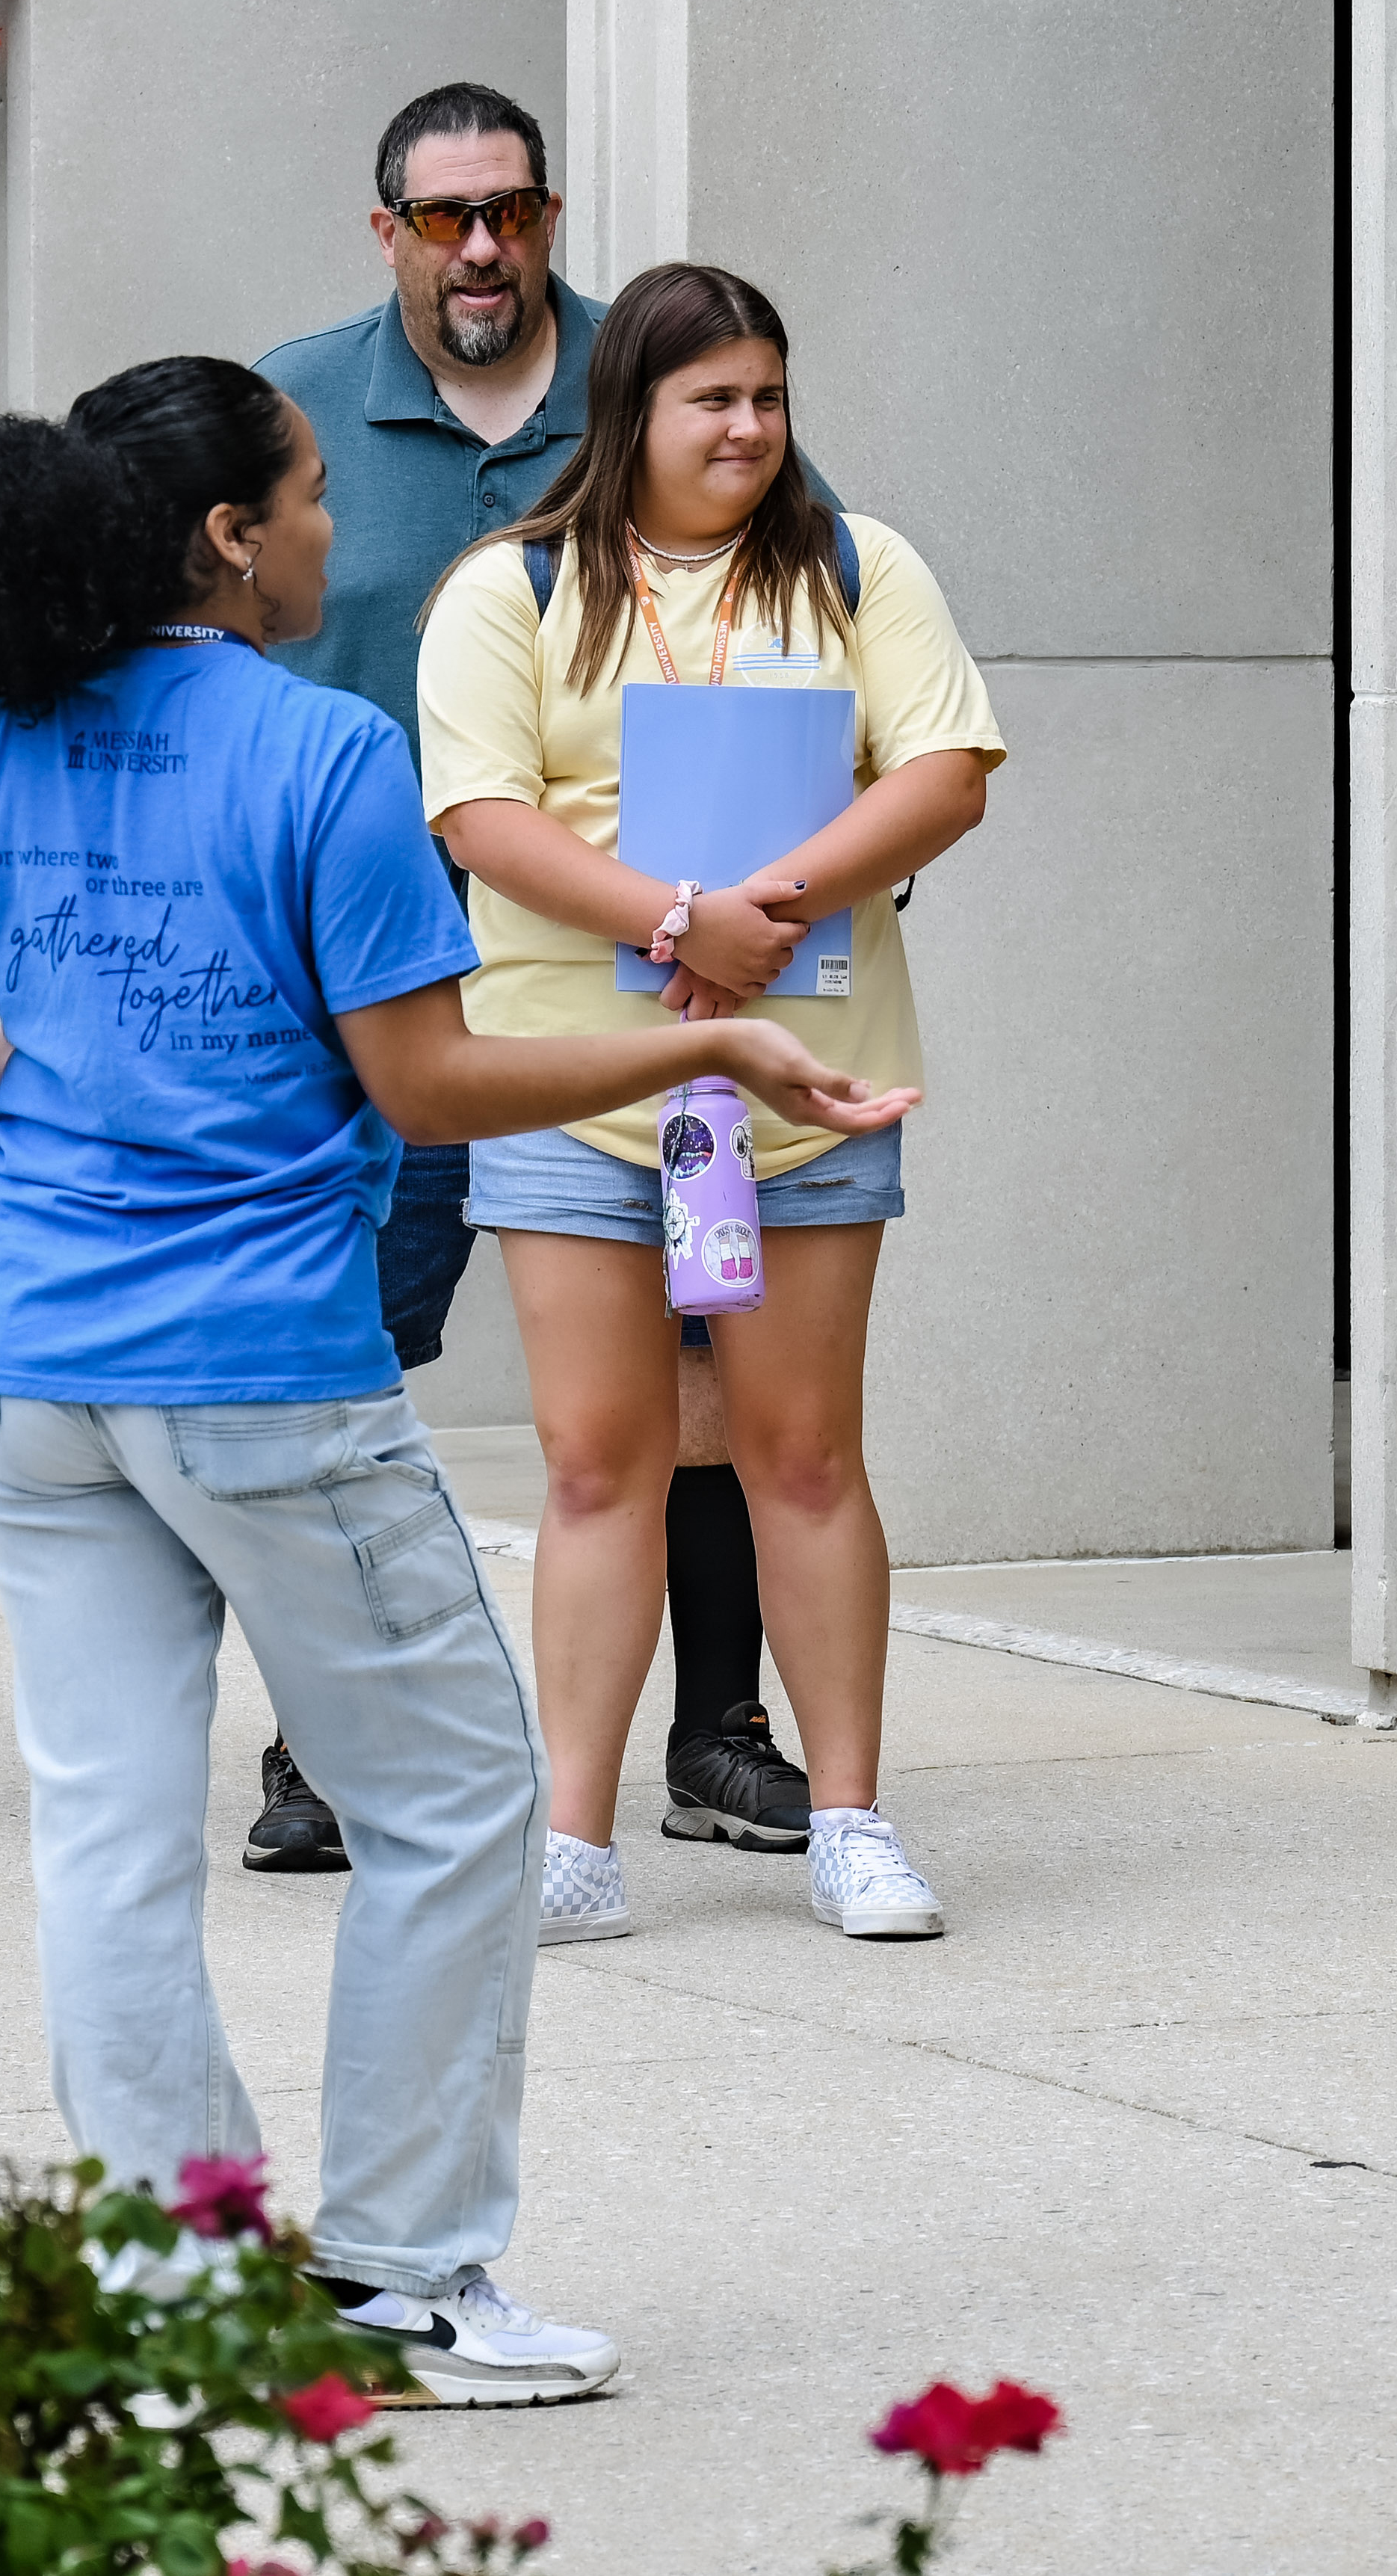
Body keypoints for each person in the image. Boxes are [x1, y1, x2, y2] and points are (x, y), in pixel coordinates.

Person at [0, 359, 909, 2404]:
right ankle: (403, 2287)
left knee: (105, 1835)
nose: (338, 534)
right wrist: (707, 1047)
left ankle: (178, 2300)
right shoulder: (323, 750)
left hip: (20, 1367)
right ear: (230, 539)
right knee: (450, 1798)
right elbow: (426, 1085)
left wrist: (101, 1049)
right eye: (314, 499)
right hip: (253, 1363)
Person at [242, 82, 845, 1875]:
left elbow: (798, 628)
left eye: (511, 210)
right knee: (341, 1358)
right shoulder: (295, 407)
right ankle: (325, 1745)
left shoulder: (661, 378)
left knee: (705, 1354)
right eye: (444, 220)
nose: (484, 247)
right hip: (379, 994)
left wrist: (761, 917)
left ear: (552, 213)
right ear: (389, 235)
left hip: (651, 997)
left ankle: (719, 1737)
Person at [420, 260, 1000, 1947]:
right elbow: (479, 814)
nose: (749, 427)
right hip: (578, 1084)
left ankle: (852, 1824)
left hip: (807, 1084)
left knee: (800, 1456)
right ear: (634, 414)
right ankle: (574, 1846)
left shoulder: (854, 564)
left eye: (769, 394)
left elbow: (945, 771)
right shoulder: (511, 591)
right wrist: (680, 924)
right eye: (713, 399)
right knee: (596, 1461)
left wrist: (772, 913)